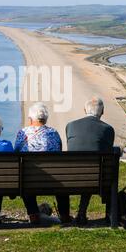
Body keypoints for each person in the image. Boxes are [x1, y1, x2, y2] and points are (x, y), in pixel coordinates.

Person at [15, 102, 71, 224]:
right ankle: (65, 216)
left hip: (29, 181)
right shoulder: (54, 133)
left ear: (30, 119)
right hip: (53, 179)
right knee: (62, 185)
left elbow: (16, 153)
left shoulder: (22, 133)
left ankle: (34, 215)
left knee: (26, 177)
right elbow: (59, 151)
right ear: (45, 119)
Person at [66, 96, 115, 225]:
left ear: (84, 110)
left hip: (69, 177)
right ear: (102, 111)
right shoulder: (108, 129)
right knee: (93, 171)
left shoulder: (70, 126)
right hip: (97, 179)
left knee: (85, 169)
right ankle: (88, 214)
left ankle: (70, 215)